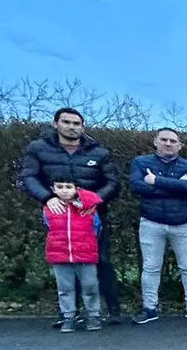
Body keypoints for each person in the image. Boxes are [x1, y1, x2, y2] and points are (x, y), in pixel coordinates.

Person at [18, 107, 122, 326]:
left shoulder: (98, 152)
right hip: (58, 216)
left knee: (101, 262)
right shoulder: (38, 148)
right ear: (56, 124)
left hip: (91, 216)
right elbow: (28, 177)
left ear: (82, 126)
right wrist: (47, 198)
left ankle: (110, 312)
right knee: (65, 264)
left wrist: (91, 200)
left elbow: (112, 182)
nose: (72, 127)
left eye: (76, 124)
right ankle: (68, 314)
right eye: (67, 122)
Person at [130, 128, 187, 324]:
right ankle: (149, 308)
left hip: (184, 224)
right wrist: (175, 187)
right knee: (151, 267)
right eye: (164, 140)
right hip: (151, 222)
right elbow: (137, 187)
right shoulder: (141, 163)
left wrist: (155, 181)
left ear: (180, 145)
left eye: (173, 141)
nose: (168, 143)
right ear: (155, 141)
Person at [42, 173, 104, 332]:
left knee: (90, 285)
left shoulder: (88, 208)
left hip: (85, 253)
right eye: (60, 187)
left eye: (68, 187)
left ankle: (93, 315)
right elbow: (48, 227)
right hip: (60, 254)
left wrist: (87, 244)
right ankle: (68, 317)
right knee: (65, 288)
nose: (64, 191)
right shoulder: (49, 209)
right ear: (53, 189)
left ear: (76, 189)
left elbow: (96, 227)